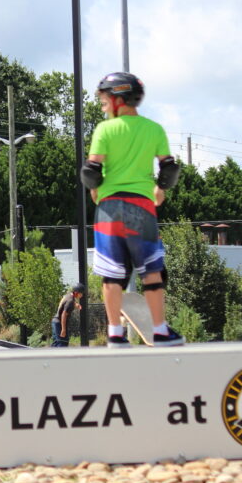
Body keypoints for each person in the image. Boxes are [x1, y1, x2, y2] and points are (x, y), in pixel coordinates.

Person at [81, 72, 184, 348]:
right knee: (151, 271)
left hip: (109, 208)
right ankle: (160, 331)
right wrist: (160, 189)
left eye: (105, 100)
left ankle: (115, 332)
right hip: (142, 207)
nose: (103, 106)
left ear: (118, 99)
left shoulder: (105, 129)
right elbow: (170, 168)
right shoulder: (154, 129)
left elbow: (91, 170)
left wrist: (95, 189)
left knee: (112, 275)